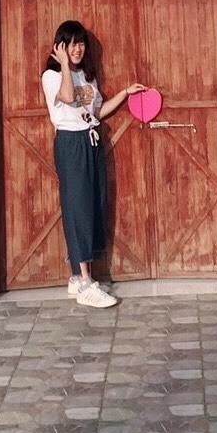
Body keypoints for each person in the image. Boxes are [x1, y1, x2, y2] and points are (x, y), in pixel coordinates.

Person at [41, 19, 146, 308]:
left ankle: (78, 277)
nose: (78, 49)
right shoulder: (52, 76)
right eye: (72, 44)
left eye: (81, 43)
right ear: (60, 47)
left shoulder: (86, 76)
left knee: (94, 204)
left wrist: (125, 93)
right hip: (71, 143)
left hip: (91, 139)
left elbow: (96, 111)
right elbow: (66, 97)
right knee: (78, 207)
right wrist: (64, 64)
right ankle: (85, 283)